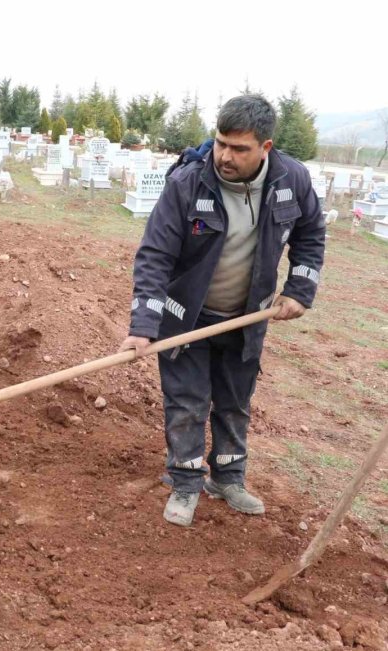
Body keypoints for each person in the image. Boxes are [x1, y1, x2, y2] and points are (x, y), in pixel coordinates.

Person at [119, 94, 325, 527]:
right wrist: (143, 325)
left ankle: (228, 478)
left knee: (235, 401)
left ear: (265, 148)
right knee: (187, 402)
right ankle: (187, 482)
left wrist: (300, 289)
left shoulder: (293, 180)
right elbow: (154, 256)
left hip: (246, 318)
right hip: (186, 317)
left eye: (239, 148)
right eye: (220, 144)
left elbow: (310, 234)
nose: (225, 156)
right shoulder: (188, 183)